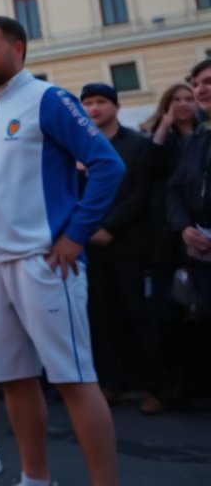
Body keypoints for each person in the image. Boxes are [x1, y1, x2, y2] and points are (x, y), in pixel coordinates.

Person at [0, 16, 123, 486]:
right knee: (13, 379)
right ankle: (35, 477)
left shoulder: (49, 100)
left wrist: (75, 234)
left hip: (43, 262)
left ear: (19, 49)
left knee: (74, 379)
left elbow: (107, 166)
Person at [79, 82, 152, 409]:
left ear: (115, 106)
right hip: (89, 246)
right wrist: (87, 229)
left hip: (128, 242)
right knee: (99, 314)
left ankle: (152, 387)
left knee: (137, 312)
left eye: (100, 102)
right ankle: (110, 383)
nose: (94, 109)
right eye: (88, 103)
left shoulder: (136, 144)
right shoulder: (78, 149)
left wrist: (110, 226)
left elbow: (141, 192)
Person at [144, 82, 198, 409]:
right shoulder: (160, 140)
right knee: (166, 316)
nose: (182, 104)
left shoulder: (203, 136)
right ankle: (167, 386)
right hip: (167, 240)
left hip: (200, 236)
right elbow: (149, 170)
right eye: (175, 99)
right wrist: (164, 127)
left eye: (188, 98)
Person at [164, 60, 211, 332]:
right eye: (195, 85)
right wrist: (184, 227)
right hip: (203, 256)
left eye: (207, 82)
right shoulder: (198, 138)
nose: (200, 90)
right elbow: (175, 188)